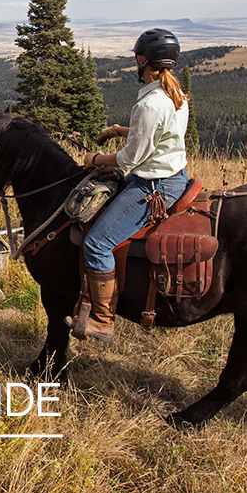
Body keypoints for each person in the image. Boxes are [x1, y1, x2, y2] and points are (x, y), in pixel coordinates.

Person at [67, 28, 189, 343]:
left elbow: (130, 159)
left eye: (137, 58)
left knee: (97, 243)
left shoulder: (149, 105)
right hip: (175, 175)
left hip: (152, 186)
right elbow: (157, 137)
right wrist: (117, 129)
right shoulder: (174, 95)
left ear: (143, 61)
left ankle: (103, 321)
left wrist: (96, 158)